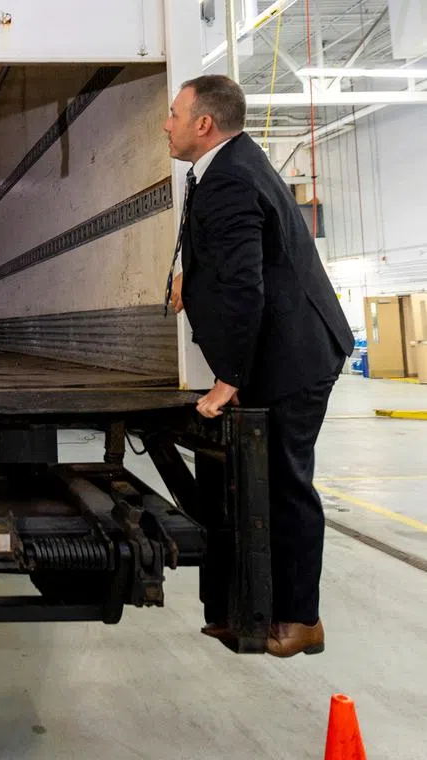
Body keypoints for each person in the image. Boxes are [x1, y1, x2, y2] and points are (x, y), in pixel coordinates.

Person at [162, 76, 353, 658]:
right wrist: (191, 276)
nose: (165, 125)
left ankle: (302, 620)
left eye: (173, 114)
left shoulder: (230, 178)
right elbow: (242, 257)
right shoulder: (229, 167)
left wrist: (230, 380)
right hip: (277, 353)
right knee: (248, 486)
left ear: (203, 124)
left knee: (288, 485)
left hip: (293, 359)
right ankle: (245, 612)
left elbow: (249, 285)